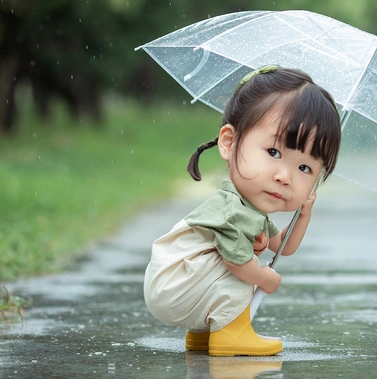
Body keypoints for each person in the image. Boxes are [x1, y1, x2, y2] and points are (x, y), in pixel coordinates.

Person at [144, 66, 342, 357]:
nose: (285, 176)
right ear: (229, 142)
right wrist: (265, 279)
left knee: (252, 260)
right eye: (273, 152)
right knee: (247, 269)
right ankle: (230, 335)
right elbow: (237, 264)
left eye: (305, 168)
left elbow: (282, 247)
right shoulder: (232, 211)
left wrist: (304, 214)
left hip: (180, 286)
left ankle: (204, 333)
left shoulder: (248, 208)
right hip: (175, 287)